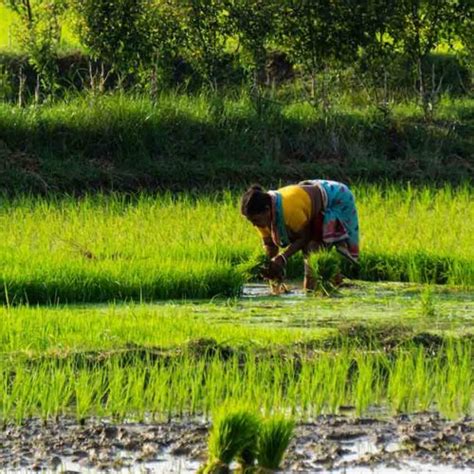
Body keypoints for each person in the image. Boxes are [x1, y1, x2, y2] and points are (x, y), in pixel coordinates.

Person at [240, 179, 359, 291]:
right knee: (314, 253)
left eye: (255, 220)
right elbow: (269, 245)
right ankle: (336, 281)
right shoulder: (263, 217)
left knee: (311, 249)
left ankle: (311, 292)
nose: (254, 225)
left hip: (337, 198)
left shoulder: (289, 210)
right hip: (308, 197)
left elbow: (304, 237)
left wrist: (282, 258)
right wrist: (269, 267)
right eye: (251, 221)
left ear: (267, 210)